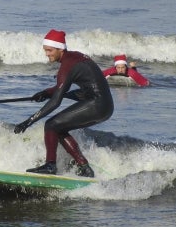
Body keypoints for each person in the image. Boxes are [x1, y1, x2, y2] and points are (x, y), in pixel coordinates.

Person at [14, 29, 114, 177]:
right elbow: (61, 88)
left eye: (49, 50)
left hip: (97, 104)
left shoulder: (67, 65)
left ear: (60, 49)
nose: (47, 54)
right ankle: (84, 168)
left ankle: (50, 166)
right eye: (45, 50)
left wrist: (29, 121)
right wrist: (46, 93)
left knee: (51, 124)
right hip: (104, 105)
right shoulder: (74, 58)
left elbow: (56, 102)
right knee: (59, 128)